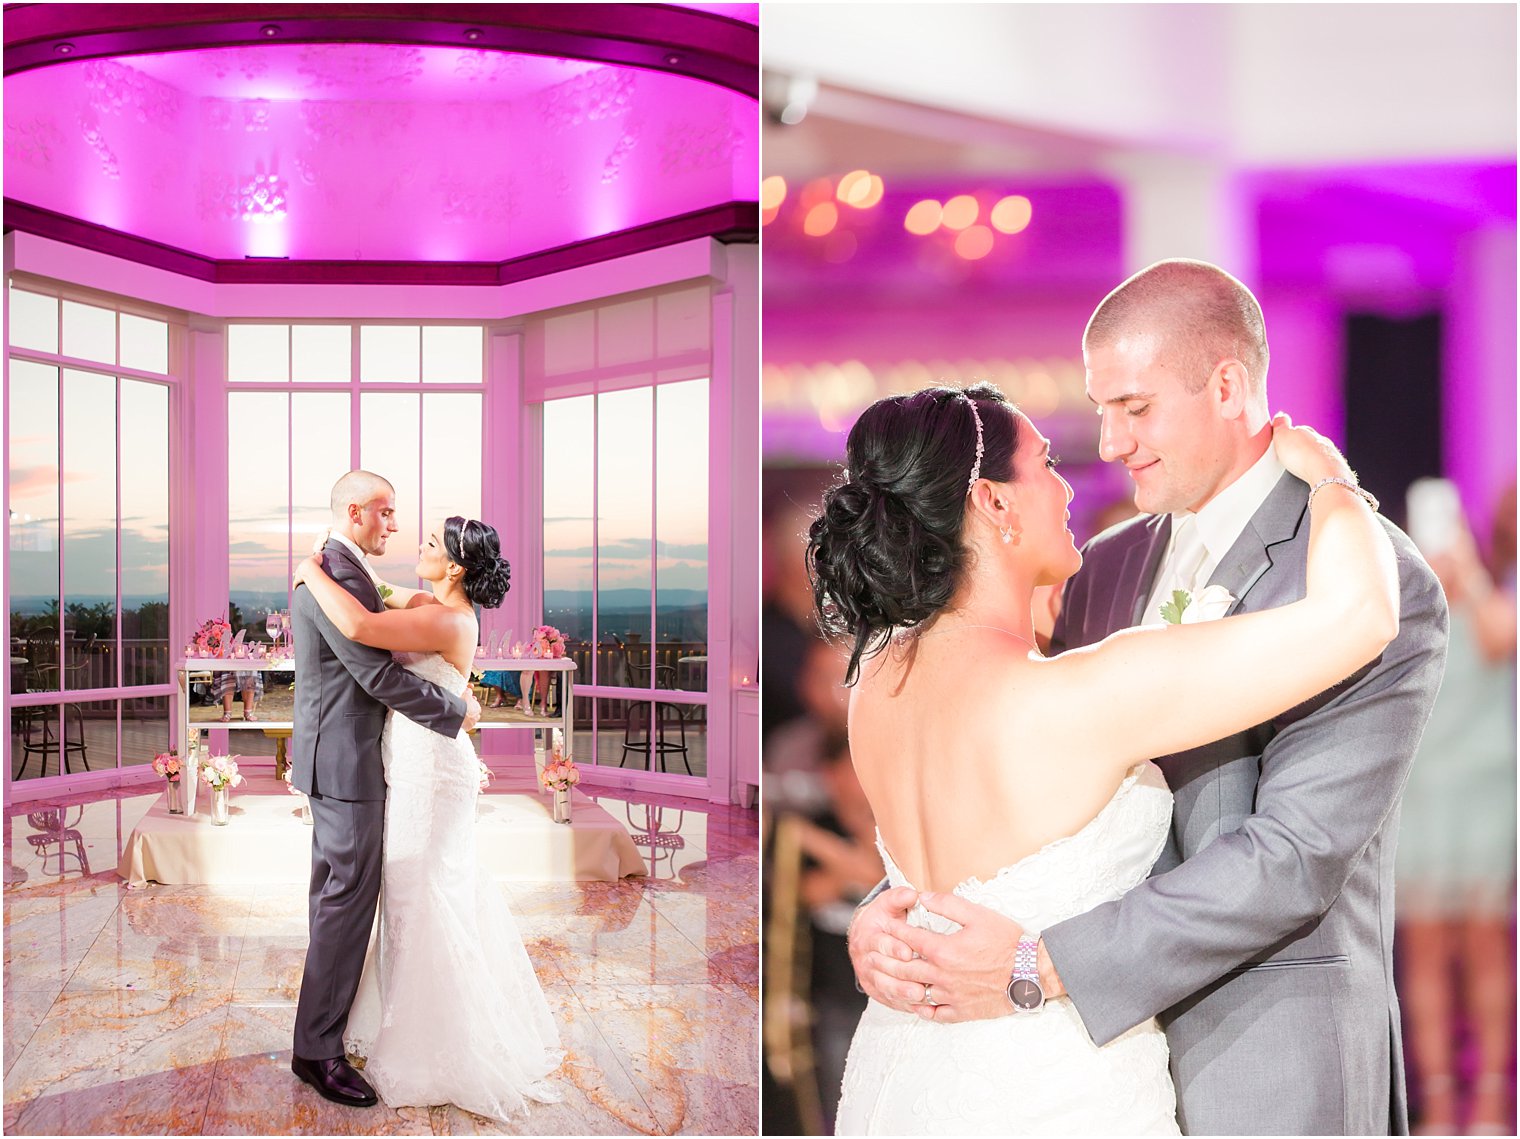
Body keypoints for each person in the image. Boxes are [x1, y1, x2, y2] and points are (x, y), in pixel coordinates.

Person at [841, 261, 1448, 1135]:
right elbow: (1001, 791)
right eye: (1099, 412)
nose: (1111, 442)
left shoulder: (1376, 574)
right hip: (1060, 1057)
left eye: (1134, 408)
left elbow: (1294, 856)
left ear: (1228, 386)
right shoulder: (1104, 567)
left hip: (1262, 1055)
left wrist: (1039, 963)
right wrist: (895, 912)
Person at [293, 510, 564, 1122]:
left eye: (434, 543)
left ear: (457, 567)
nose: (419, 543)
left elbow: (362, 622)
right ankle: (393, 1026)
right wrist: (335, 560)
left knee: (422, 893)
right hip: (409, 761)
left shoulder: (445, 617)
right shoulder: (425, 601)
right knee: (412, 892)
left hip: (432, 769)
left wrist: (310, 568)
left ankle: (435, 1046)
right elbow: (376, 592)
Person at [288, 470, 480, 1110]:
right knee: (347, 901)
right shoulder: (337, 572)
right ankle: (317, 1050)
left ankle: (318, 1035)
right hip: (348, 764)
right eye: (388, 513)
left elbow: (379, 628)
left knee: (334, 898)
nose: (395, 527)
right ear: (355, 510)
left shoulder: (343, 569)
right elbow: (373, 673)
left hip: (343, 761)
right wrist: (456, 712)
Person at [1395, 490, 1516, 1135]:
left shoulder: (1490, 597)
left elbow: (1502, 640)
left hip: (1486, 799)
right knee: (1426, 952)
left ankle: (1494, 1102)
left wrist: (1463, 576)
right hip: (1422, 797)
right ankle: (1440, 1103)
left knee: (1487, 948)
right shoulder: (1405, 602)